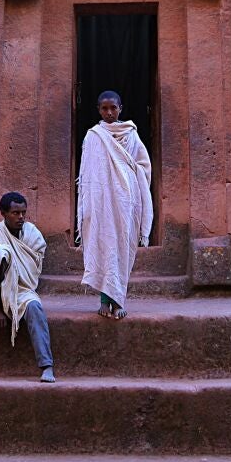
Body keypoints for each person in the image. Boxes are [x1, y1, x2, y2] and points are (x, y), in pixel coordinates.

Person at [76, 90, 152, 320]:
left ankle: (118, 300)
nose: (109, 112)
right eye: (104, 108)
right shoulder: (93, 136)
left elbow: (143, 165)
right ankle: (103, 300)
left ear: (120, 109)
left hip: (125, 200)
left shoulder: (131, 134)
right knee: (104, 245)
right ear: (98, 110)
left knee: (121, 247)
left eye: (113, 108)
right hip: (101, 202)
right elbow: (87, 171)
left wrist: (129, 173)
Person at [0, 191, 55, 382]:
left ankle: (47, 366)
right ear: (3, 213)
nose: (21, 217)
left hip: (21, 290)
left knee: (35, 307)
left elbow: (32, 268)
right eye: (15, 213)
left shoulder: (32, 234)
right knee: (1, 252)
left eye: (23, 213)